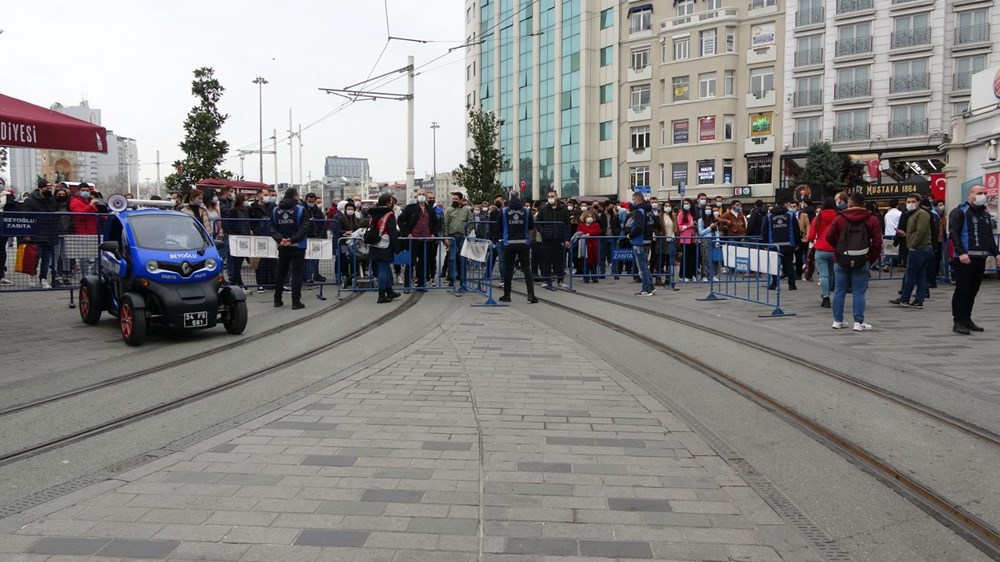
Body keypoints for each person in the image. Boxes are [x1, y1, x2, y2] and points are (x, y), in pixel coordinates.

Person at [825, 192, 882, 332]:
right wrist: (870, 257)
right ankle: (858, 322)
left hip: (841, 258)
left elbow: (829, 236)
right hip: (862, 258)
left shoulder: (840, 218)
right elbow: (877, 242)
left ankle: (837, 320)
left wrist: (839, 249)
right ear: (863, 203)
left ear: (849, 203)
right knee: (859, 292)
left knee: (839, 290)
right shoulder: (871, 219)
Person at [948, 184, 1000, 335]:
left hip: (980, 257)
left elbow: (989, 237)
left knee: (973, 290)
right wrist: (961, 252)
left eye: (984, 193)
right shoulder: (960, 212)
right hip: (965, 258)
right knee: (962, 289)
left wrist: (996, 253)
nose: (982, 195)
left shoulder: (985, 214)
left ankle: (967, 319)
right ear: (970, 195)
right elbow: (953, 233)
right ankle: (957, 321)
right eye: (979, 193)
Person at [891, 194, 933, 309]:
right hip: (919, 247)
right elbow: (915, 232)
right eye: (908, 201)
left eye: (913, 201)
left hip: (920, 248)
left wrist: (912, 245)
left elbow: (921, 231)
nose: (910, 204)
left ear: (918, 202)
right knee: (920, 276)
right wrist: (905, 235)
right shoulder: (912, 214)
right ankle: (918, 301)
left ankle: (905, 299)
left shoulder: (922, 214)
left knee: (911, 275)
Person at [269, 188, 309, 309]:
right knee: (296, 274)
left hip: (282, 246)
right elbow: (305, 227)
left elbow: (271, 227)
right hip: (298, 246)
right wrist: (292, 240)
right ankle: (296, 302)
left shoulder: (275, 210)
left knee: (281, 273)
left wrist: (280, 239)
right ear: (295, 196)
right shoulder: (301, 209)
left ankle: (277, 299)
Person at [497, 194, 537, 303]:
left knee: (508, 270)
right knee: (526, 269)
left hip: (509, 244)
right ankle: (531, 295)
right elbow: (531, 226)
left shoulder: (504, 211)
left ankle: (507, 295)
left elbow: (499, 227)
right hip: (524, 243)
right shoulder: (527, 211)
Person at [397, 188, 440, 289]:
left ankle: (421, 284)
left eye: (423, 194)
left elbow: (436, 223)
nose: (421, 196)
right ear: (416, 196)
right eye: (419, 194)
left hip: (426, 240)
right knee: (410, 263)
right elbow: (400, 221)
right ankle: (407, 285)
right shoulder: (410, 208)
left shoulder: (430, 209)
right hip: (413, 240)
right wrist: (407, 233)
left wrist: (433, 233)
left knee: (423, 263)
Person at [368, 193, 402, 303]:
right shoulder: (389, 215)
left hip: (374, 244)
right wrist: (397, 248)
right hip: (385, 244)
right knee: (383, 268)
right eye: (392, 200)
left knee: (385, 268)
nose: (393, 202)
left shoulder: (374, 213)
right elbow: (392, 233)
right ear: (388, 202)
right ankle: (381, 295)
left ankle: (389, 291)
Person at [535, 190, 571, 289]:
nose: (550, 198)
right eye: (549, 196)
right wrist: (544, 231)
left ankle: (560, 280)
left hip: (559, 238)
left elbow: (568, 224)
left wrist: (567, 239)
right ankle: (547, 280)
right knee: (547, 260)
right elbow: (538, 222)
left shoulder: (563, 209)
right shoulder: (543, 209)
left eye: (552, 196)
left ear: (557, 197)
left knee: (560, 260)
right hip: (547, 238)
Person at [762, 198, 801, 291]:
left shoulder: (769, 216)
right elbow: (796, 230)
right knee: (789, 264)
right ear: (785, 204)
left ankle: (774, 284)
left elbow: (764, 231)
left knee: (774, 265)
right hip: (788, 243)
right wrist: (797, 243)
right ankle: (792, 284)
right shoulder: (791, 216)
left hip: (773, 244)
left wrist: (764, 243)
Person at [808, 197, 838, 308]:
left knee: (824, 275)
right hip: (834, 249)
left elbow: (811, 236)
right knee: (831, 274)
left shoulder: (818, 218)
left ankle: (826, 297)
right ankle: (828, 291)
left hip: (821, 249)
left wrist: (812, 240)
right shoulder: (838, 217)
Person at [248, 188, 277, 291]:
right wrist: (255, 231)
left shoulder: (273, 207)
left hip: (272, 237)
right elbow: (251, 222)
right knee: (261, 262)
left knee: (273, 260)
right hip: (259, 237)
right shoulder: (252, 208)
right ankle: (261, 284)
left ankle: (274, 282)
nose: (267, 196)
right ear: (259, 195)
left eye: (268, 194)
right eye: (265, 194)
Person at [628, 191, 655, 296]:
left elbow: (639, 226)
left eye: (634, 199)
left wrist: (631, 235)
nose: (633, 202)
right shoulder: (650, 211)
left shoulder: (640, 211)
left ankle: (646, 288)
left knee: (642, 267)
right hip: (648, 240)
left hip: (639, 240)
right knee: (645, 265)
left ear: (638, 199)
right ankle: (651, 286)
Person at [444, 191, 472, 287]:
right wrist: (446, 238)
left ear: (460, 200)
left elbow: (471, 222)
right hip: (452, 236)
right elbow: (445, 224)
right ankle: (452, 278)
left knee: (462, 258)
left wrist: (466, 232)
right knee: (451, 258)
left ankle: (462, 279)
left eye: (456, 199)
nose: (454, 200)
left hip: (462, 236)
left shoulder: (466, 210)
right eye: (453, 199)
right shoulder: (448, 210)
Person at [301, 192, 329, 284]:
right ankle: (307, 276)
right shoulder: (302, 209)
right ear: (306, 200)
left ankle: (315, 274)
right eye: (310, 201)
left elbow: (322, 223)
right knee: (307, 259)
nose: (312, 203)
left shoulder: (317, 210)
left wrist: (322, 235)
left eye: (313, 201)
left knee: (315, 257)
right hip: (305, 237)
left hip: (316, 237)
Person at [225, 193, 251, 291]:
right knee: (237, 262)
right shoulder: (234, 211)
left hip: (245, 237)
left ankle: (235, 281)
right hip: (237, 238)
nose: (246, 201)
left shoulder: (246, 210)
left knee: (239, 262)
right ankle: (239, 283)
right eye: (245, 199)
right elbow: (231, 224)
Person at [576, 210, 602, 282]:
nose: (590, 218)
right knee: (585, 262)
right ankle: (586, 277)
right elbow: (578, 233)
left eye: (591, 216)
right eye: (588, 216)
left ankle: (594, 277)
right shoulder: (581, 225)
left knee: (594, 262)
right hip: (584, 246)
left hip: (594, 245)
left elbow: (598, 231)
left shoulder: (596, 225)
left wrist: (589, 234)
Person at [676, 198, 698, 281]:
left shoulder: (692, 214)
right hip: (685, 238)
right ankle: (683, 275)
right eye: (685, 203)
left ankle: (691, 274)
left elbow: (694, 225)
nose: (686, 205)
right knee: (685, 257)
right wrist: (689, 226)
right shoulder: (681, 214)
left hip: (693, 237)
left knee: (692, 257)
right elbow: (679, 226)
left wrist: (694, 226)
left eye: (688, 203)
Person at [788, 199, 810, 281]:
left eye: (794, 206)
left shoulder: (803, 215)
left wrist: (807, 237)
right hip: (791, 237)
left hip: (800, 237)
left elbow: (808, 226)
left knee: (799, 257)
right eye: (791, 207)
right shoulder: (788, 215)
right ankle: (788, 272)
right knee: (789, 257)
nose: (792, 208)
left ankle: (798, 273)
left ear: (797, 207)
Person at [697, 204, 720, 281]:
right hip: (705, 240)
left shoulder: (714, 219)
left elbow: (717, 231)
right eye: (707, 209)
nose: (708, 210)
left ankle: (713, 275)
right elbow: (701, 232)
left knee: (714, 259)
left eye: (710, 209)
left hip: (713, 240)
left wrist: (717, 241)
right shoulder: (700, 220)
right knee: (705, 258)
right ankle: (705, 275)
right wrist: (710, 227)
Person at [883, 198, 902, 271]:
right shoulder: (899, 213)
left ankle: (886, 264)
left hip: (887, 234)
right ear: (897, 205)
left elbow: (885, 224)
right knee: (898, 250)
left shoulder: (887, 214)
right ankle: (899, 265)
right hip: (896, 234)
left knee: (888, 250)